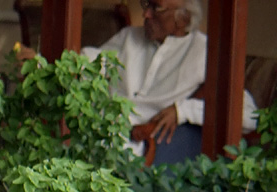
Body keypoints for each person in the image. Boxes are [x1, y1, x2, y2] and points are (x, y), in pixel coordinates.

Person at [17, 0, 256, 158]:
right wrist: (41, 64)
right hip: (95, 140)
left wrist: (183, 111)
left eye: (156, 7)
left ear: (182, 18)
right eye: (145, 3)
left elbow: (246, 115)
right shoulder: (129, 37)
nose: (145, 14)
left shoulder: (204, 52)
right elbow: (85, 65)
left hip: (142, 155)